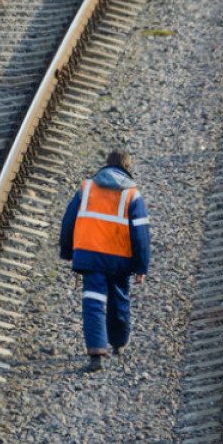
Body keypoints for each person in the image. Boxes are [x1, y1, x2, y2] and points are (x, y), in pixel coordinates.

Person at [59, 149, 150, 372]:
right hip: (119, 259)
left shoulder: (87, 188)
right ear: (127, 168)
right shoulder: (133, 196)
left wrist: (67, 251)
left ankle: (96, 354)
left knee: (93, 301)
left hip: (89, 256)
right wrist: (141, 266)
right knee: (119, 298)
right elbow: (140, 234)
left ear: (106, 164)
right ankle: (119, 342)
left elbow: (68, 222)